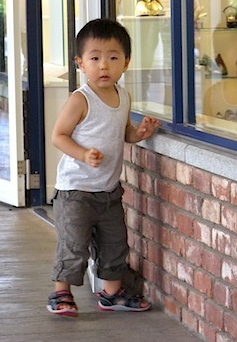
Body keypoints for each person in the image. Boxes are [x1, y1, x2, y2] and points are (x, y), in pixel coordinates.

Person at [47, 18, 160, 317]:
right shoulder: (80, 99)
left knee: (114, 243)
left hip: (109, 191)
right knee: (74, 245)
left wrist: (141, 133)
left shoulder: (123, 97)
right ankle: (61, 294)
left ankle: (111, 293)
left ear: (126, 62)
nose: (104, 66)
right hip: (75, 191)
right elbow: (58, 135)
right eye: (95, 58)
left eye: (113, 58)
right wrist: (83, 154)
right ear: (80, 63)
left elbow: (124, 133)